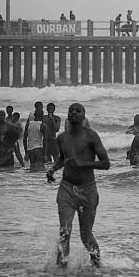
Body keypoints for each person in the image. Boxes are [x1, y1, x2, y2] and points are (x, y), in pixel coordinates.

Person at [45, 103, 109, 268]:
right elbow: (62, 159)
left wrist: (83, 163)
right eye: (71, 110)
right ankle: (61, 270)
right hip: (66, 188)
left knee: (85, 236)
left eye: (78, 111)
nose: (74, 113)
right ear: (68, 115)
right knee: (65, 231)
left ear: (83, 116)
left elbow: (106, 163)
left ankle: (97, 265)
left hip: (87, 190)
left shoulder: (91, 136)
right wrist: (53, 169)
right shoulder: (62, 138)